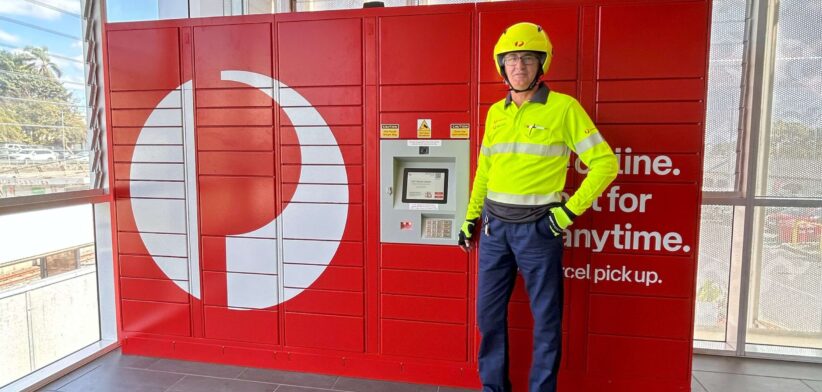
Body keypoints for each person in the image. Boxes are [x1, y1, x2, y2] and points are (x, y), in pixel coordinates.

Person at [458, 22, 619, 392]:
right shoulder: (495, 113)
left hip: (538, 231)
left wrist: (566, 214)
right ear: (502, 66)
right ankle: (493, 388)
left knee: (546, 319)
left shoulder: (564, 108)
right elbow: (485, 169)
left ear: (541, 64)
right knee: (488, 317)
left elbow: (606, 163)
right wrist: (470, 217)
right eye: (511, 59)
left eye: (527, 58)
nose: (519, 66)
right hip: (495, 229)